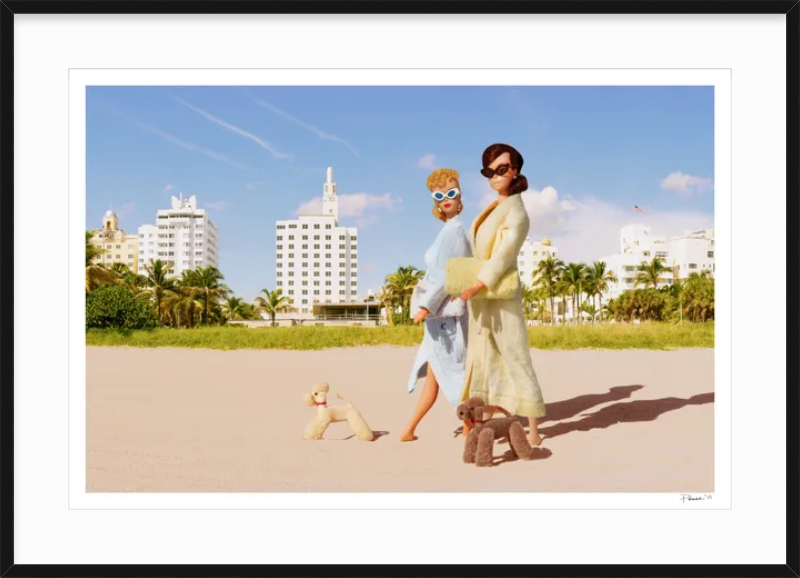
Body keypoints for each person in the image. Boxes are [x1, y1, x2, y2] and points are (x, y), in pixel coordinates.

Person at [457, 144, 546, 446]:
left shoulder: (517, 211)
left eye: (501, 169)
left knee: (514, 353)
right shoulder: (493, 207)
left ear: (515, 170)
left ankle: (533, 428)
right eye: (488, 171)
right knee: (482, 356)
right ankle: (486, 420)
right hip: (481, 296)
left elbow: (503, 256)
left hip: (499, 291)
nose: (494, 176)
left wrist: (478, 284)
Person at [400, 168, 472, 442]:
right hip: (439, 318)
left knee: (453, 373)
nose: (446, 199)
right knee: (437, 373)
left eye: (451, 193)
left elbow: (447, 275)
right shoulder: (448, 230)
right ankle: (410, 429)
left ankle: (469, 425)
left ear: (460, 194)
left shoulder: (455, 231)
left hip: (444, 318)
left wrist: (426, 307)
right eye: (440, 195)